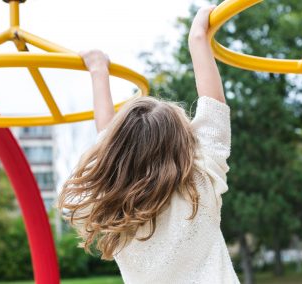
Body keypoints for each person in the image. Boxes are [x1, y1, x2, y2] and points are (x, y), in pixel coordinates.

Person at [57, 5, 240, 284]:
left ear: (114, 154)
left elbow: (106, 134)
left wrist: (98, 70)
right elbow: (213, 105)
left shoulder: (116, 206)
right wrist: (197, 37)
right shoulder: (200, 184)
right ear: (184, 143)